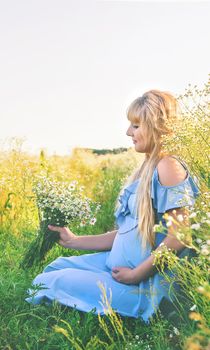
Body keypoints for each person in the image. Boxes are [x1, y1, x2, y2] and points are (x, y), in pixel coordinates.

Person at [26, 90, 199, 323]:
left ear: (156, 126)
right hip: (119, 269)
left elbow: (179, 236)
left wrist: (135, 275)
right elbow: (127, 232)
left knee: (47, 282)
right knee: (55, 267)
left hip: (142, 285)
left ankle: (119, 313)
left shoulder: (169, 166)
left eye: (136, 126)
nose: (129, 132)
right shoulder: (147, 168)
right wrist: (74, 241)